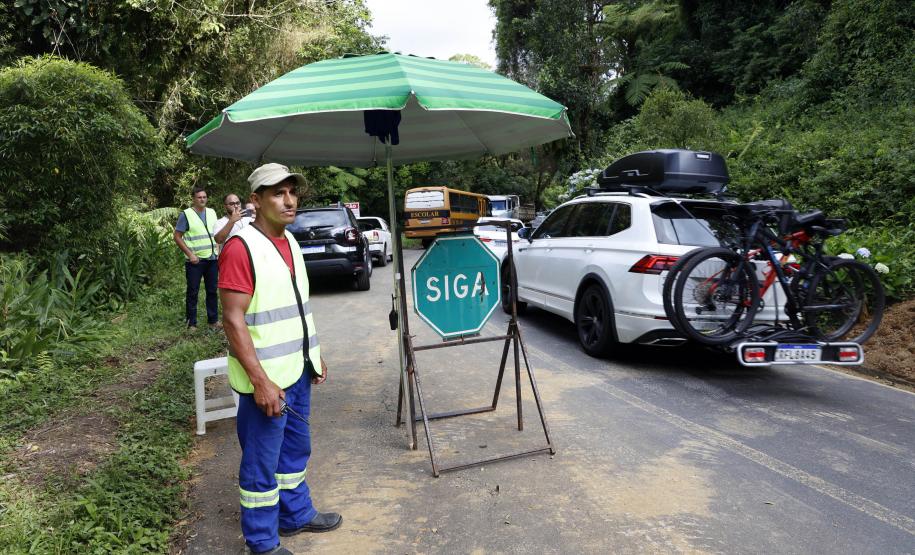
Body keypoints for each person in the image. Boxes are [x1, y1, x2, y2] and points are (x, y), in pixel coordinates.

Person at [219, 163, 342, 555]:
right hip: (267, 382)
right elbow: (233, 319)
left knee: (294, 451)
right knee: (261, 462)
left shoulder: (289, 242)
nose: (289, 200)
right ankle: (261, 541)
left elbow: (296, 309)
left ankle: (295, 514)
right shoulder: (241, 248)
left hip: (297, 372)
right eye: (277, 193)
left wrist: (314, 357)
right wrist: (260, 382)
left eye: (292, 192)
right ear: (255, 201)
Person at [173, 186, 219, 330]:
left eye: (204, 197)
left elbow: (216, 233)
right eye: (199, 197)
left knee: (212, 291)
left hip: (212, 258)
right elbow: (177, 236)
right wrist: (190, 254)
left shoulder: (212, 212)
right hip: (195, 260)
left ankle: (213, 320)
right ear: (193, 199)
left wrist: (218, 249)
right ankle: (191, 323)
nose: (202, 199)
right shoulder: (186, 214)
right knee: (193, 291)